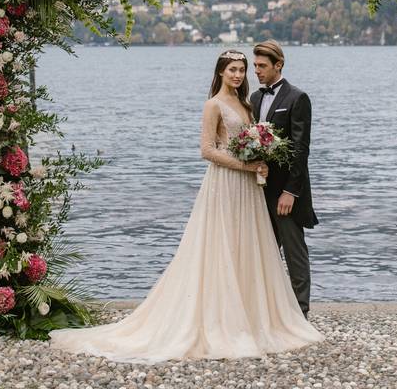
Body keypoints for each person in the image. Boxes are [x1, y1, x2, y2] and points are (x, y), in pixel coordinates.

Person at [49, 50, 322, 362]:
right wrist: (249, 167)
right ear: (220, 72)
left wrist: (270, 174)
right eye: (233, 69)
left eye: (244, 70)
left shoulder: (250, 104)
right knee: (222, 248)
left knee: (249, 250)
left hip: (252, 191)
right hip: (227, 183)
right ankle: (223, 320)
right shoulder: (215, 105)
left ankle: (267, 316)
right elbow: (207, 149)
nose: (239, 75)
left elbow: (295, 147)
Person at [250, 40, 318, 319]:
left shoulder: (297, 98)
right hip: (258, 189)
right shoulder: (253, 99)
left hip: (286, 192)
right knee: (263, 253)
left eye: (262, 66)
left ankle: (301, 313)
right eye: (254, 66)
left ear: (278, 65)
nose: (257, 71)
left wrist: (291, 191)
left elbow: (301, 149)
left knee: (294, 252)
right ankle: (268, 309)